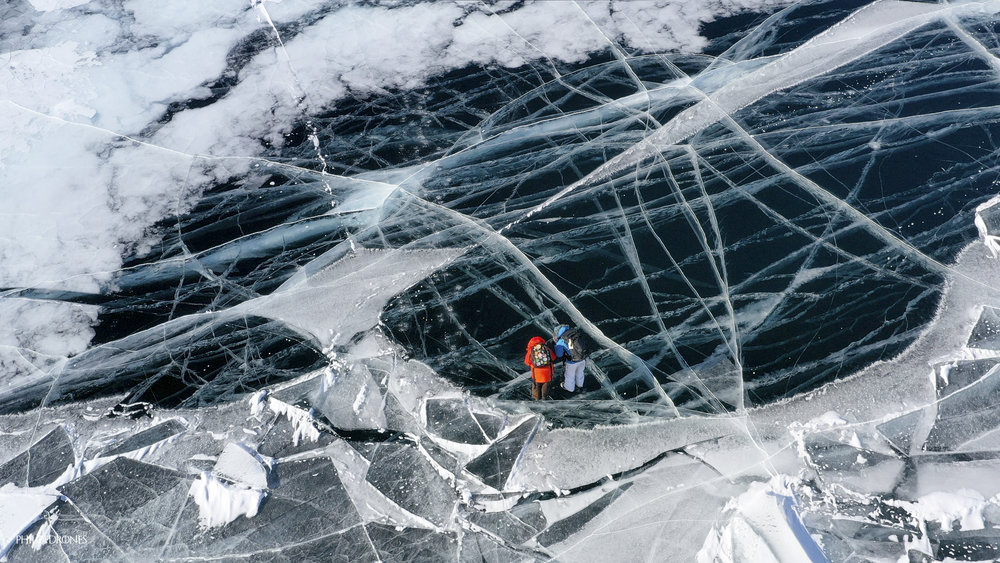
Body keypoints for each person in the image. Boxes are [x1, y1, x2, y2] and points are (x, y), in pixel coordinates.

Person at [553, 324, 587, 393]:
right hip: (582, 358)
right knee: (580, 372)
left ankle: (569, 388)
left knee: (570, 375)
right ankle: (580, 384)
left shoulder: (561, 341)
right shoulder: (575, 333)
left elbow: (559, 354)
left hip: (572, 361)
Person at [524, 336, 554, 400]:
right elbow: (553, 358)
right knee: (545, 384)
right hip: (547, 372)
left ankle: (536, 398)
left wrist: (534, 364)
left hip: (536, 372)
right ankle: (544, 398)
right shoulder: (546, 348)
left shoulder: (531, 350)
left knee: (536, 385)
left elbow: (527, 362)